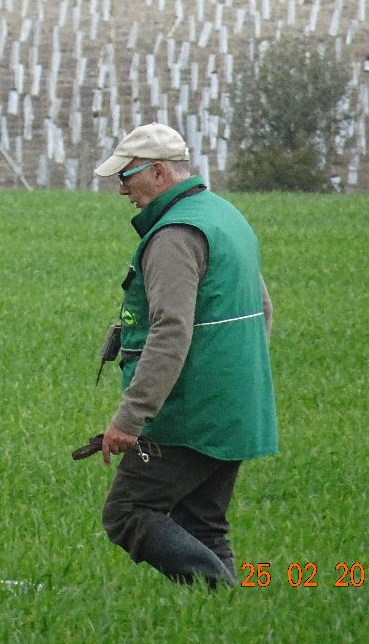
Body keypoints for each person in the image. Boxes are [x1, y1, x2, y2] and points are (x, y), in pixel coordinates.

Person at [93, 122, 278, 586]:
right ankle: (229, 617)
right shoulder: (224, 216)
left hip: (189, 413)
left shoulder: (174, 234)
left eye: (126, 177)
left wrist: (129, 419)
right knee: (202, 526)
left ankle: (221, 590)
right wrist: (233, 381)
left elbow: (170, 332)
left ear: (157, 172)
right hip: (235, 407)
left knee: (128, 512)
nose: (121, 190)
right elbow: (264, 312)